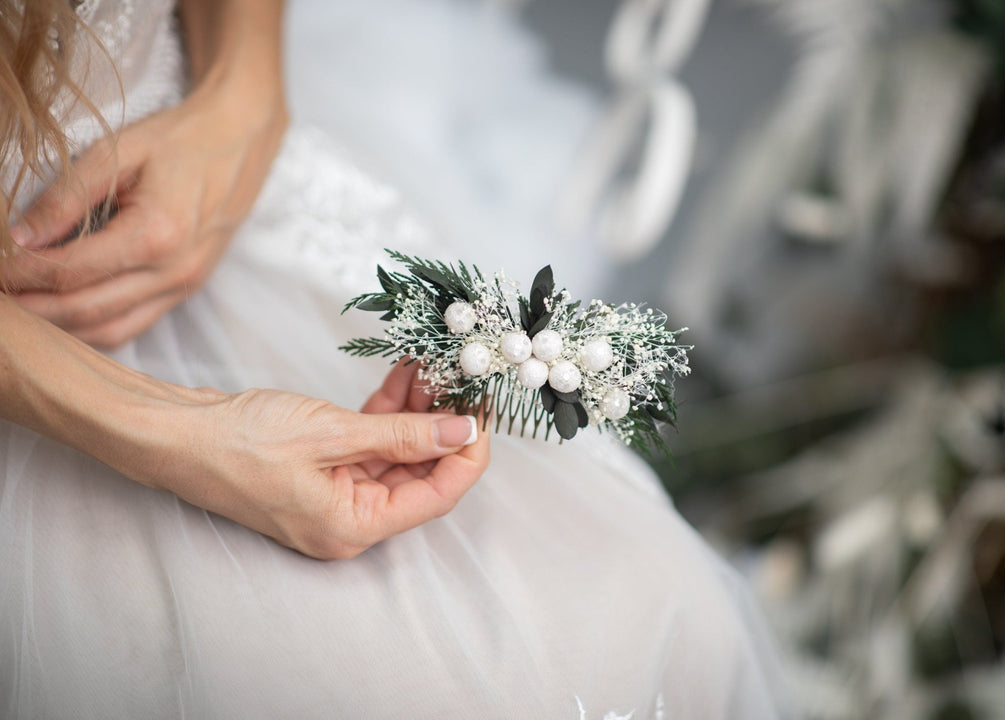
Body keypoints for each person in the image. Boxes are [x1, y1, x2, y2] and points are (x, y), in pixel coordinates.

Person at [0, 1, 792, 717]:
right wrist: (182, 434)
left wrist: (242, 98)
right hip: (40, 384)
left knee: (668, 601)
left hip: (206, 182)